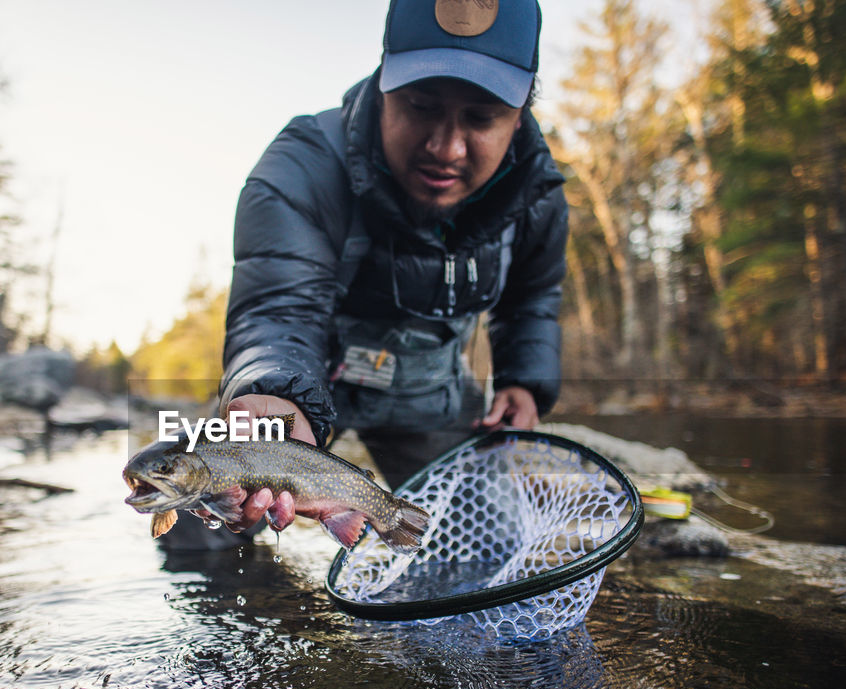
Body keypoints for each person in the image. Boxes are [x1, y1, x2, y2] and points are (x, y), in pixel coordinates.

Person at [174, 0, 568, 548]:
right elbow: (277, 310)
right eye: (421, 106)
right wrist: (272, 392)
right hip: (304, 384)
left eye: (480, 118)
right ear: (384, 85)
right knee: (198, 523)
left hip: (426, 393)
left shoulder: (538, 193)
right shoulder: (301, 168)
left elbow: (533, 296)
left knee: (480, 547)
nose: (445, 148)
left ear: (520, 115)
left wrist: (526, 381)